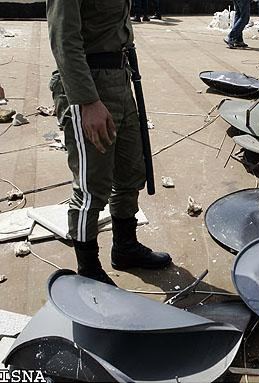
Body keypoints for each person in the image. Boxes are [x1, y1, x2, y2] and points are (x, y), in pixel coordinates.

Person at [46, 0, 172, 285]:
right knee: (92, 188)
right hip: (88, 85)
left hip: (120, 78)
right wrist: (88, 102)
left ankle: (125, 247)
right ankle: (88, 269)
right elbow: (64, 41)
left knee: (130, 172)